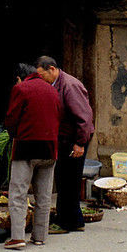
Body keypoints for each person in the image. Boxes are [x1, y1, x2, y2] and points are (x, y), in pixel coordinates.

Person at [2, 63, 61, 249]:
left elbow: (12, 117)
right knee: (44, 196)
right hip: (50, 149)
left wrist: (11, 135)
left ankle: (18, 237)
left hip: (26, 147)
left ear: (20, 78)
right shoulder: (53, 91)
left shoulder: (21, 88)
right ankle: (40, 236)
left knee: (18, 193)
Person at [35, 56, 94, 234]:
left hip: (74, 140)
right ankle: (73, 219)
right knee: (64, 180)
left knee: (69, 180)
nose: (40, 79)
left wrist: (80, 143)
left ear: (52, 69)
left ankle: (67, 222)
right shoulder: (56, 85)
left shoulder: (70, 85)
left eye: (42, 74)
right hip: (64, 139)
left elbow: (84, 117)